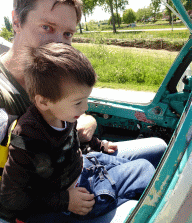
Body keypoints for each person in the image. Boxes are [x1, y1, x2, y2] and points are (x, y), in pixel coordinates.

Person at [0, 0, 167, 220]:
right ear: (16, 21)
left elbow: (71, 116)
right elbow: (10, 197)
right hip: (52, 200)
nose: (58, 44)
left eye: (67, 34)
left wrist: (86, 121)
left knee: (160, 148)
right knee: (140, 208)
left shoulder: (58, 75)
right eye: (47, 27)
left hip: (77, 162)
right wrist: (64, 201)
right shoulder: (5, 99)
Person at [0, 43, 155, 222]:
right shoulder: (28, 138)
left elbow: (72, 139)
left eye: (86, 99)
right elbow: (9, 198)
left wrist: (99, 145)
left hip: (81, 166)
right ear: (43, 102)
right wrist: (65, 200)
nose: (86, 107)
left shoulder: (62, 113)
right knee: (145, 170)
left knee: (152, 157)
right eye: (78, 102)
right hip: (68, 199)